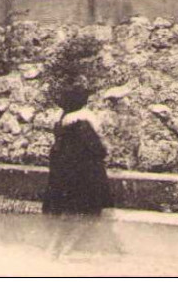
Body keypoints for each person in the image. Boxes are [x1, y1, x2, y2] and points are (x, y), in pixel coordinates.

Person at [42, 83, 115, 258]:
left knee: (66, 215)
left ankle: (52, 249)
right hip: (84, 176)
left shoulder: (61, 122)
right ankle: (65, 250)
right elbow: (97, 149)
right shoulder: (83, 123)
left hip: (64, 175)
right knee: (86, 214)